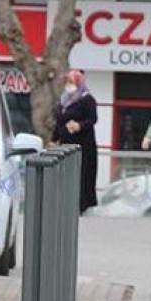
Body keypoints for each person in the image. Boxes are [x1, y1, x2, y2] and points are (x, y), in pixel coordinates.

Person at [53, 69, 99, 214]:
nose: (69, 85)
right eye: (67, 82)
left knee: (81, 174)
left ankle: (80, 205)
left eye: (71, 82)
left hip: (83, 145)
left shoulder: (87, 99)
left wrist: (79, 125)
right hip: (65, 144)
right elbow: (59, 121)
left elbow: (92, 119)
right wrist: (54, 139)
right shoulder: (63, 100)